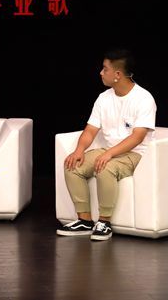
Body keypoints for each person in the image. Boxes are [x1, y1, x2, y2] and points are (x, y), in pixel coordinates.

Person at [58, 49, 156, 241]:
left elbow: (137, 137)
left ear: (117, 74)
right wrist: (79, 150)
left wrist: (109, 154)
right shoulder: (103, 98)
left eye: (105, 69)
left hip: (135, 153)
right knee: (72, 164)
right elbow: (90, 130)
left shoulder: (143, 98)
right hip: (110, 150)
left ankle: (104, 222)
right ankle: (85, 220)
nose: (101, 73)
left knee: (105, 167)